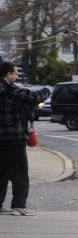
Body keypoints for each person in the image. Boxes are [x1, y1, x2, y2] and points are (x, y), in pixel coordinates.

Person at [0, 62, 48, 215]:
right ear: (8, 74)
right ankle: (19, 206)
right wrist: (47, 90)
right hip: (13, 138)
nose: (16, 76)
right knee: (19, 172)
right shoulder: (10, 90)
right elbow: (34, 97)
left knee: (2, 173)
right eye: (15, 73)